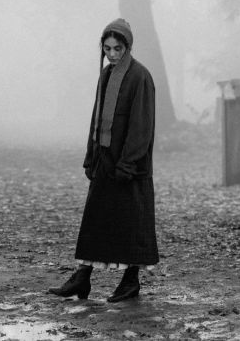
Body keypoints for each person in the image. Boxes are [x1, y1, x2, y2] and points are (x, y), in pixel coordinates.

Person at [48, 18, 159, 302]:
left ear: (128, 47)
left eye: (117, 49)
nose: (111, 54)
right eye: (107, 48)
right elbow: (97, 118)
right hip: (105, 161)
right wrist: (91, 156)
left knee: (132, 223)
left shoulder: (140, 77)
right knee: (95, 220)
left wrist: (127, 163)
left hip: (129, 167)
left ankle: (130, 281)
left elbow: (141, 127)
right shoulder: (107, 75)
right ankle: (82, 278)